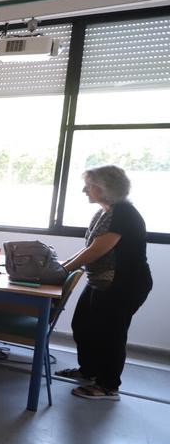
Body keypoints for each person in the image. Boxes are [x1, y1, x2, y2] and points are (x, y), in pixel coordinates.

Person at [60, 165, 153, 401]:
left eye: (89, 185)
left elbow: (97, 251)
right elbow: (89, 248)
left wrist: (62, 269)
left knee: (110, 334)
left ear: (106, 188)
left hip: (124, 284)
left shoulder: (123, 214)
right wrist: (61, 265)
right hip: (101, 281)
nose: (84, 190)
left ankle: (108, 386)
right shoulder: (104, 211)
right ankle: (88, 371)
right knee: (82, 325)